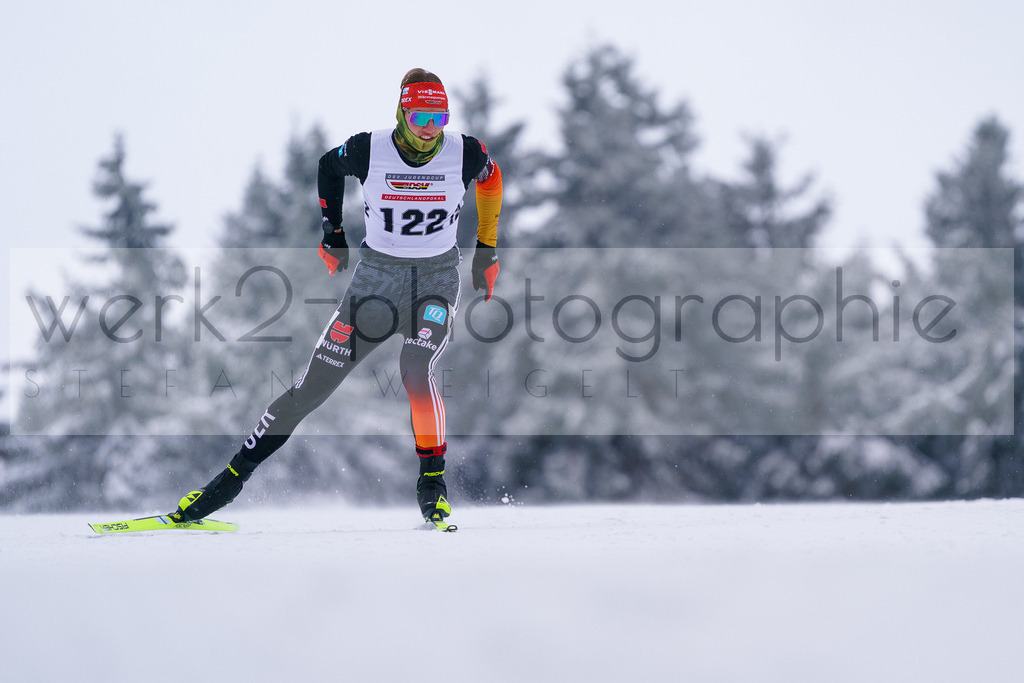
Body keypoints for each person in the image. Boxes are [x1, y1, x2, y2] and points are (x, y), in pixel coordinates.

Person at [170, 68, 502, 527]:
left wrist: (486, 250)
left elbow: (491, 179)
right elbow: (328, 166)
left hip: (435, 282)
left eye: (439, 115)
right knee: (310, 389)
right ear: (403, 111)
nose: (430, 127)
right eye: (421, 114)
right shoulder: (370, 148)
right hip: (375, 284)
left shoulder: (465, 151)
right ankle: (226, 483)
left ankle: (433, 484)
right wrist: (333, 234)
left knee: (414, 368)